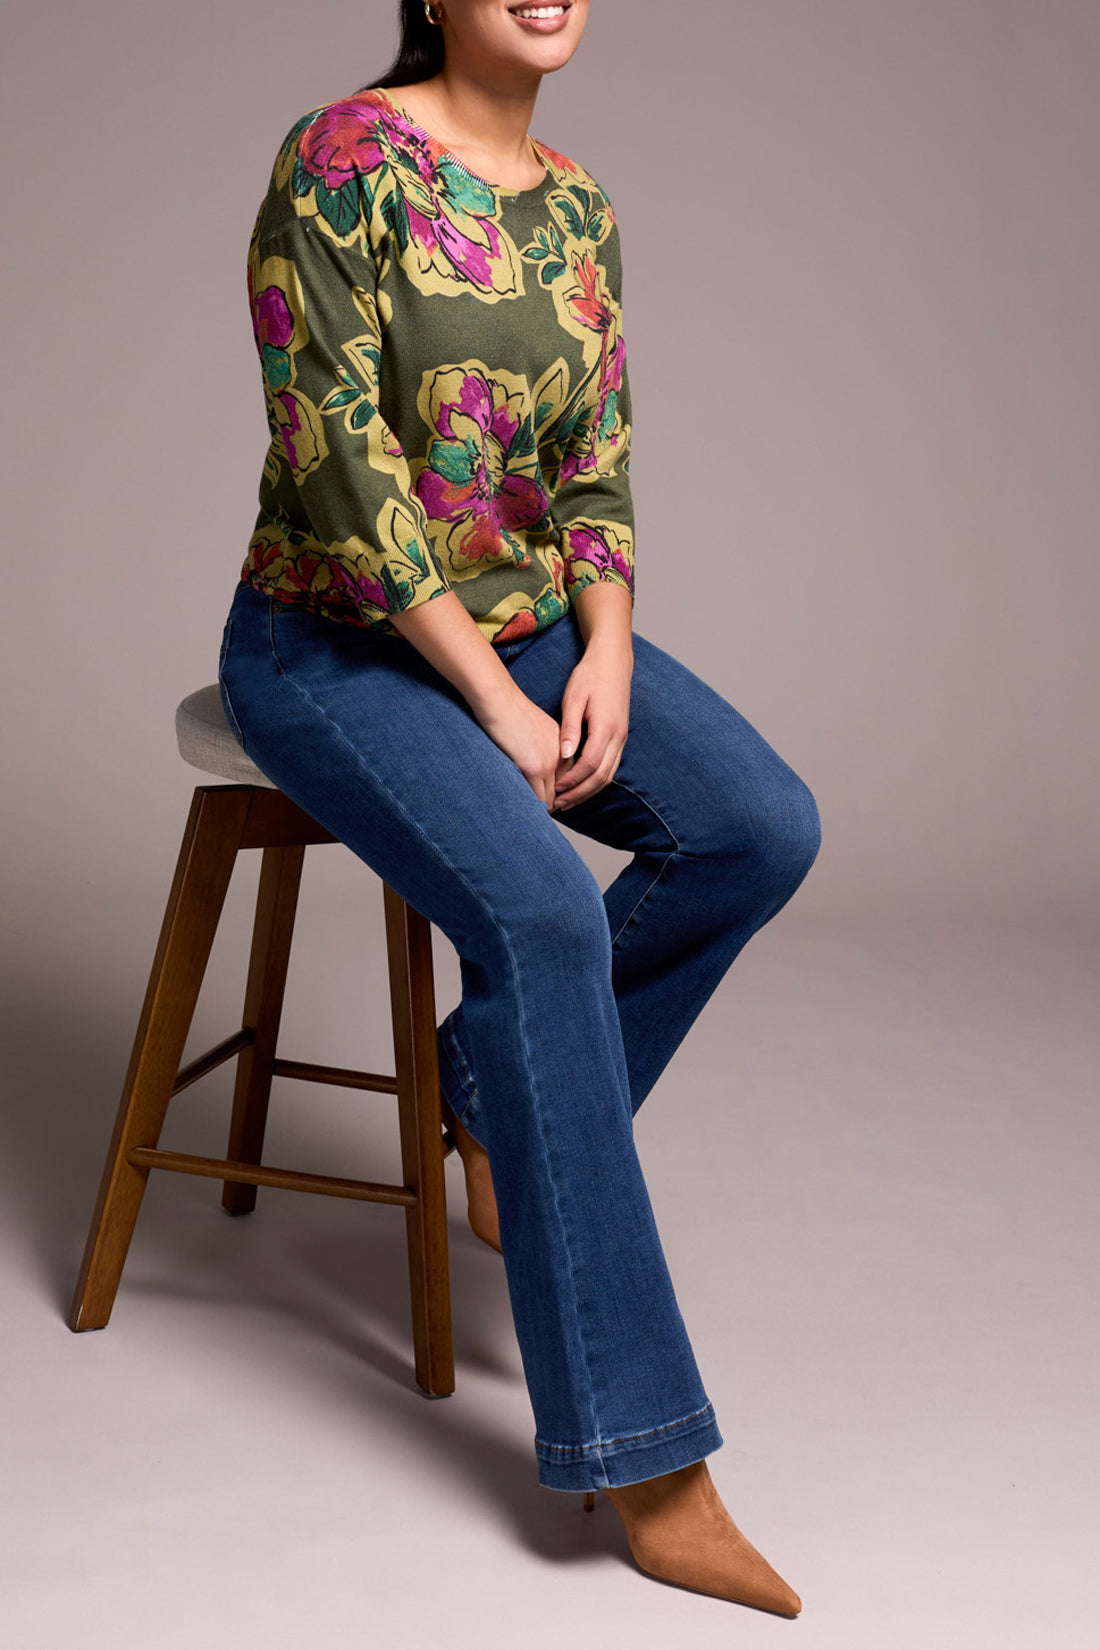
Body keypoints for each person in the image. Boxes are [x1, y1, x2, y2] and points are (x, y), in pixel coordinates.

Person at [218, 0, 819, 1616]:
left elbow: (595, 467)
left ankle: (489, 1097)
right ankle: (645, 1455)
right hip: (336, 637)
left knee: (760, 824)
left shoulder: (577, 205)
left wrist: (603, 642)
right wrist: (493, 702)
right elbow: (336, 469)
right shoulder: (341, 159)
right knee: (544, 914)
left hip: (526, 614)